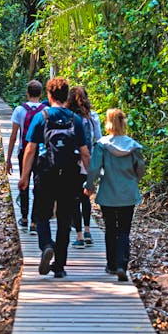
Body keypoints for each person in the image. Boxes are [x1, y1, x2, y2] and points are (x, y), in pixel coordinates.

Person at [19, 77, 90, 279]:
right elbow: (85, 153)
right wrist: (91, 179)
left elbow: (30, 149)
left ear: (49, 95)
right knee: (64, 220)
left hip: (45, 173)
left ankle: (46, 245)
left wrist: (24, 176)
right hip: (69, 176)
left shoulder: (41, 117)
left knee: (42, 215)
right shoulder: (75, 119)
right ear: (66, 96)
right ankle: (59, 266)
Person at [83, 108, 146, 282]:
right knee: (124, 230)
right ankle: (122, 265)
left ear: (108, 123)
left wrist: (89, 186)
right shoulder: (133, 146)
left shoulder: (102, 145)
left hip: (108, 193)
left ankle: (111, 265)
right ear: (123, 122)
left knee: (110, 229)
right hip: (128, 193)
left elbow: (94, 168)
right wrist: (133, 179)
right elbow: (141, 169)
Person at [6, 80, 46, 232]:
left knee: (24, 182)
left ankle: (24, 217)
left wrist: (8, 159)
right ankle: (34, 221)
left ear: (27, 93)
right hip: (41, 153)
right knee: (39, 186)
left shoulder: (19, 110)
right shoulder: (46, 110)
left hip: (24, 151)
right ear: (41, 94)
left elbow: (13, 135)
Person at [65, 86, 102, 249]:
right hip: (89, 160)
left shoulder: (69, 117)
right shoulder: (93, 117)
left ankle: (79, 236)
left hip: (72, 161)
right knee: (85, 196)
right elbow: (99, 139)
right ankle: (87, 231)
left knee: (74, 198)